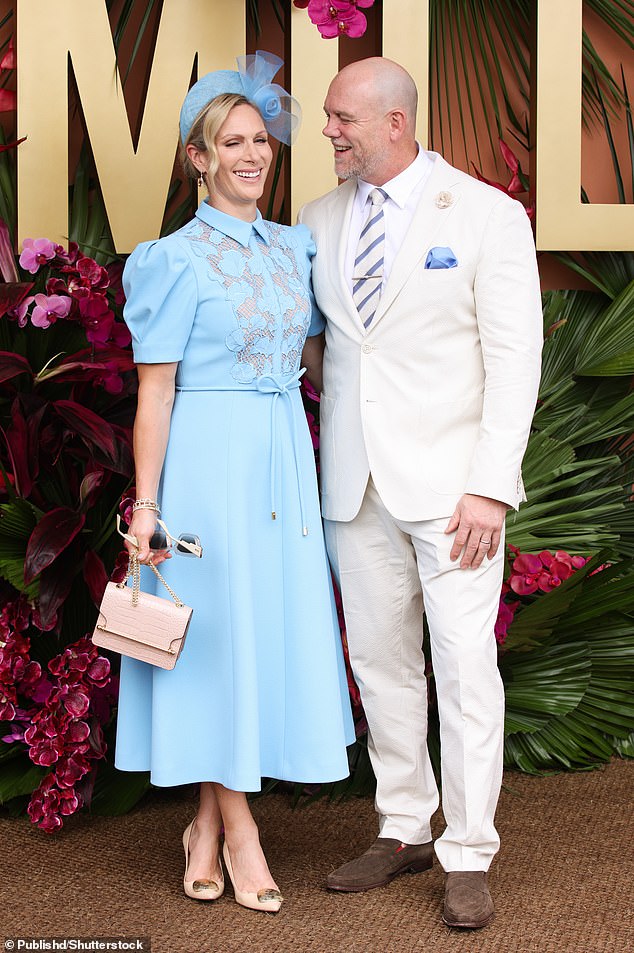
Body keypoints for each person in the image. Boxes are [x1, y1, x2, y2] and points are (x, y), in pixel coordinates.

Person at [298, 56, 543, 929]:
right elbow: (326, 344)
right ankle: (403, 825)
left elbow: (516, 362)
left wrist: (490, 488)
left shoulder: (487, 216)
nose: (328, 130)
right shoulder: (317, 219)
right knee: (381, 659)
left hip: (454, 493)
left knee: (466, 664)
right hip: (353, 482)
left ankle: (469, 848)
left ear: (394, 122)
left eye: (341, 118)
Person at [114, 51, 354, 914]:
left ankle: (203, 827)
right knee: (211, 647)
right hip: (207, 463)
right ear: (198, 158)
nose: (252, 154)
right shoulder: (170, 260)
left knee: (253, 639)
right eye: (231, 142)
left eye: (261, 139)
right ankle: (241, 829)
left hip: (284, 456)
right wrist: (146, 504)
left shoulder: (296, 249)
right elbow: (156, 387)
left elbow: (325, 361)